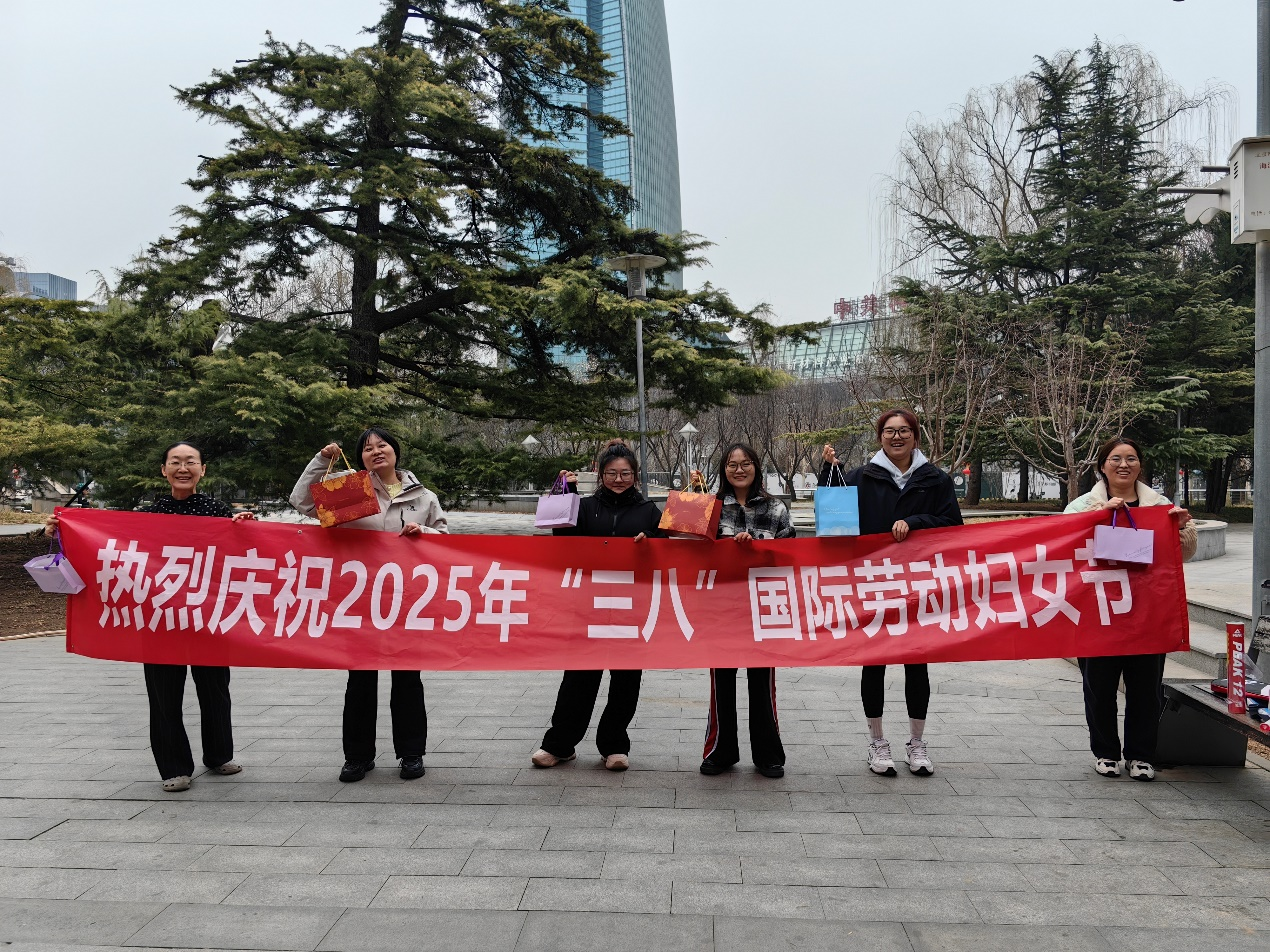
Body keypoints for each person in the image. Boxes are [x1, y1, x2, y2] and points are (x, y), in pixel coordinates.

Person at [47, 441, 256, 793]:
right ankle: (174, 767)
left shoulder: (218, 512)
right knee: (164, 695)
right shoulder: (146, 515)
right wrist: (62, 529)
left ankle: (219, 755)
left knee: (215, 690)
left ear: (202, 470)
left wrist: (246, 525)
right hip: (159, 618)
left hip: (207, 617)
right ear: (164, 470)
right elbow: (105, 546)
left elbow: (245, 552)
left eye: (191, 461)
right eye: (175, 462)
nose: (183, 468)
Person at [290, 426, 447, 783]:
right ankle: (358, 757)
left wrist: (424, 533)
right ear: (360, 457)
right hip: (359, 601)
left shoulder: (423, 497)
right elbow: (302, 503)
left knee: (408, 679)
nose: (376, 451)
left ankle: (411, 753)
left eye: (382, 445)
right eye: (367, 448)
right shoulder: (350, 490)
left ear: (395, 450)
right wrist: (321, 461)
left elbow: (446, 541)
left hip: (407, 601)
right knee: (360, 680)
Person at [819, 408, 962, 777]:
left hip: (918, 585)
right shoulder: (860, 477)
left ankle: (917, 743)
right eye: (889, 431)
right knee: (874, 662)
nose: (897, 437)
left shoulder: (936, 479)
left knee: (917, 662)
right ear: (880, 436)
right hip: (874, 583)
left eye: (904, 431)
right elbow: (834, 520)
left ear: (915, 436)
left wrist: (915, 522)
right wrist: (829, 472)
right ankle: (877, 743)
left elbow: (953, 526)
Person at [1065, 436, 1197, 782]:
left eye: (1131, 458)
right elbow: (1064, 550)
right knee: (1099, 688)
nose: (1124, 465)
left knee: (1146, 690)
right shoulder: (1082, 506)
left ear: (1140, 465)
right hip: (1099, 613)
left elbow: (1185, 553)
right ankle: (1106, 753)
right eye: (1116, 458)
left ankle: (1141, 756)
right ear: (1102, 465)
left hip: (1147, 614)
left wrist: (1181, 528)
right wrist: (1097, 518)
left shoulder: (1160, 505)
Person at [531, 440, 663, 772]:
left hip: (631, 608)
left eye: (626, 473)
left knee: (626, 680)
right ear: (600, 474)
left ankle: (614, 745)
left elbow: (668, 551)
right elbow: (563, 540)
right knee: (579, 677)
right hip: (587, 606)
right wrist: (566, 495)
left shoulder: (649, 511)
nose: (619, 479)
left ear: (635, 475)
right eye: (612, 473)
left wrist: (651, 542)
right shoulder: (585, 507)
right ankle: (559, 745)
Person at [698, 443, 793, 779]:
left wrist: (757, 548)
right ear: (723, 470)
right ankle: (720, 751)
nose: (739, 470)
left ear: (756, 467)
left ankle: (768, 754)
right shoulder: (709, 507)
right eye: (732, 464)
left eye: (746, 463)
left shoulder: (776, 508)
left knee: (761, 681)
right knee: (721, 681)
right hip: (721, 606)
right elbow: (689, 551)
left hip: (762, 605)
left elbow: (791, 554)